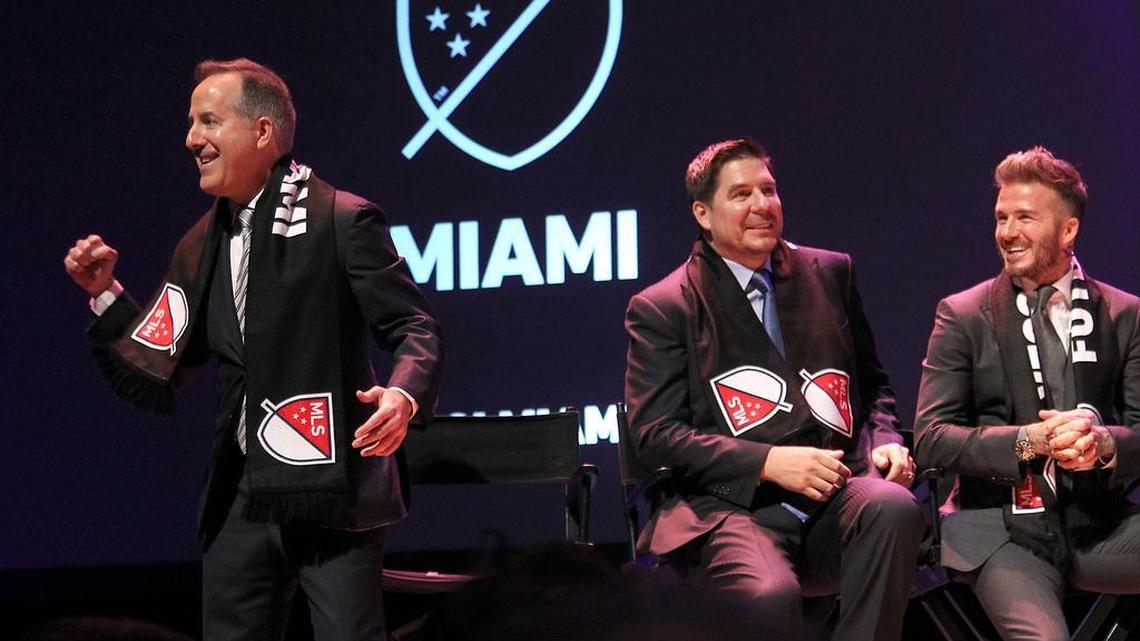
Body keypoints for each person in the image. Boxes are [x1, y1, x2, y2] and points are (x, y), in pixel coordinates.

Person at [63, 58, 443, 641]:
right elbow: (160, 360)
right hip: (241, 495)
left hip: (332, 488)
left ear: (262, 133)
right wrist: (105, 296)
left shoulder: (342, 219)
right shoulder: (200, 244)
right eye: (191, 123)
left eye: (209, 121)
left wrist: (402, 395)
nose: (192, 138)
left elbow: (414, 327)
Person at [624, 138, 924, 640]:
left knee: (891, 508)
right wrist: (765, 461)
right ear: (703, 212)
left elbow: (871, 385)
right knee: (769, 594)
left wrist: (887, 438)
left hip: (833, 494)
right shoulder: (664, 305)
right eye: (741, 194)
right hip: (727, 508)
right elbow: (655, 433)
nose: (762, 206)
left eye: (769, 189)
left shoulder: (830, 273)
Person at [915, 146, 1140, 641]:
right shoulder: (963, 314)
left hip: (1097, 524)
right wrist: (1029, 441)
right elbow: (931, 439)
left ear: (1068, 230)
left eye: (1024, 218)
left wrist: (1103, 446)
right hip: (999, 529)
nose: (1007, 232)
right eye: (1001, 217)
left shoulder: (1125, 315)